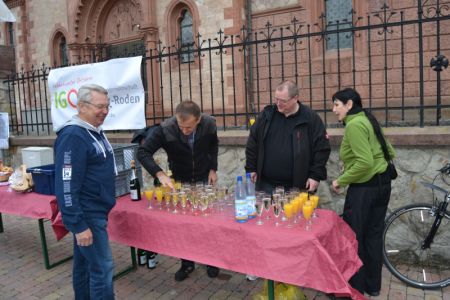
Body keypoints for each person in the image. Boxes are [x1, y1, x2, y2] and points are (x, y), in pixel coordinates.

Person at [137, 100, 219, 281]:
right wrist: (159, 174)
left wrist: (213, 168)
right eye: (181, 127)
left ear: (198, 120)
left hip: (203, 178)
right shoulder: (165, 128)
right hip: (180, 182)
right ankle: (187, 263)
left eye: (188, 128)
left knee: (207, 224)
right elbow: (142, 152)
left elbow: (213, 146)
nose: (184, 131)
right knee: (184, 226)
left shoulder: (209, 124)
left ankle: (211, 260)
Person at [330, 88, 395, 296]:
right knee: (373, 237)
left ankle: (353, 288)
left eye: (336, 104)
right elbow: (389, 152)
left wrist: (342, 179)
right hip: (383, 185)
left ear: (349, 104)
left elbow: (365, 163)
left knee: (354, 237)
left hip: (364, 189)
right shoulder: (368, 119)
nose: (333, 110)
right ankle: (371, 286)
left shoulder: (355, 125)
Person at [54, 84, 117, 299]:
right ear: (81, 106)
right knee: (102, 268)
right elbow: (66, 184)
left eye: (107, 106)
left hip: (95, 211)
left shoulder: (94, 132)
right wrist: (79, 225)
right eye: (100, 106)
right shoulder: (73, 136)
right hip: (88, 214)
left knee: (84, 266)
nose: (105, 111)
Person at [245, 80, 331, 194]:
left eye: (283, 101)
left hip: (297, 187)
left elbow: (322, 149)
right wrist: (251, 168)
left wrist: (315, 176)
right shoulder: (267, 115)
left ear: (295, 98)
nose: (278, 104)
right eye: (276, 99)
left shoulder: (310, 118)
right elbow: (253, 142)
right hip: (266, 186)